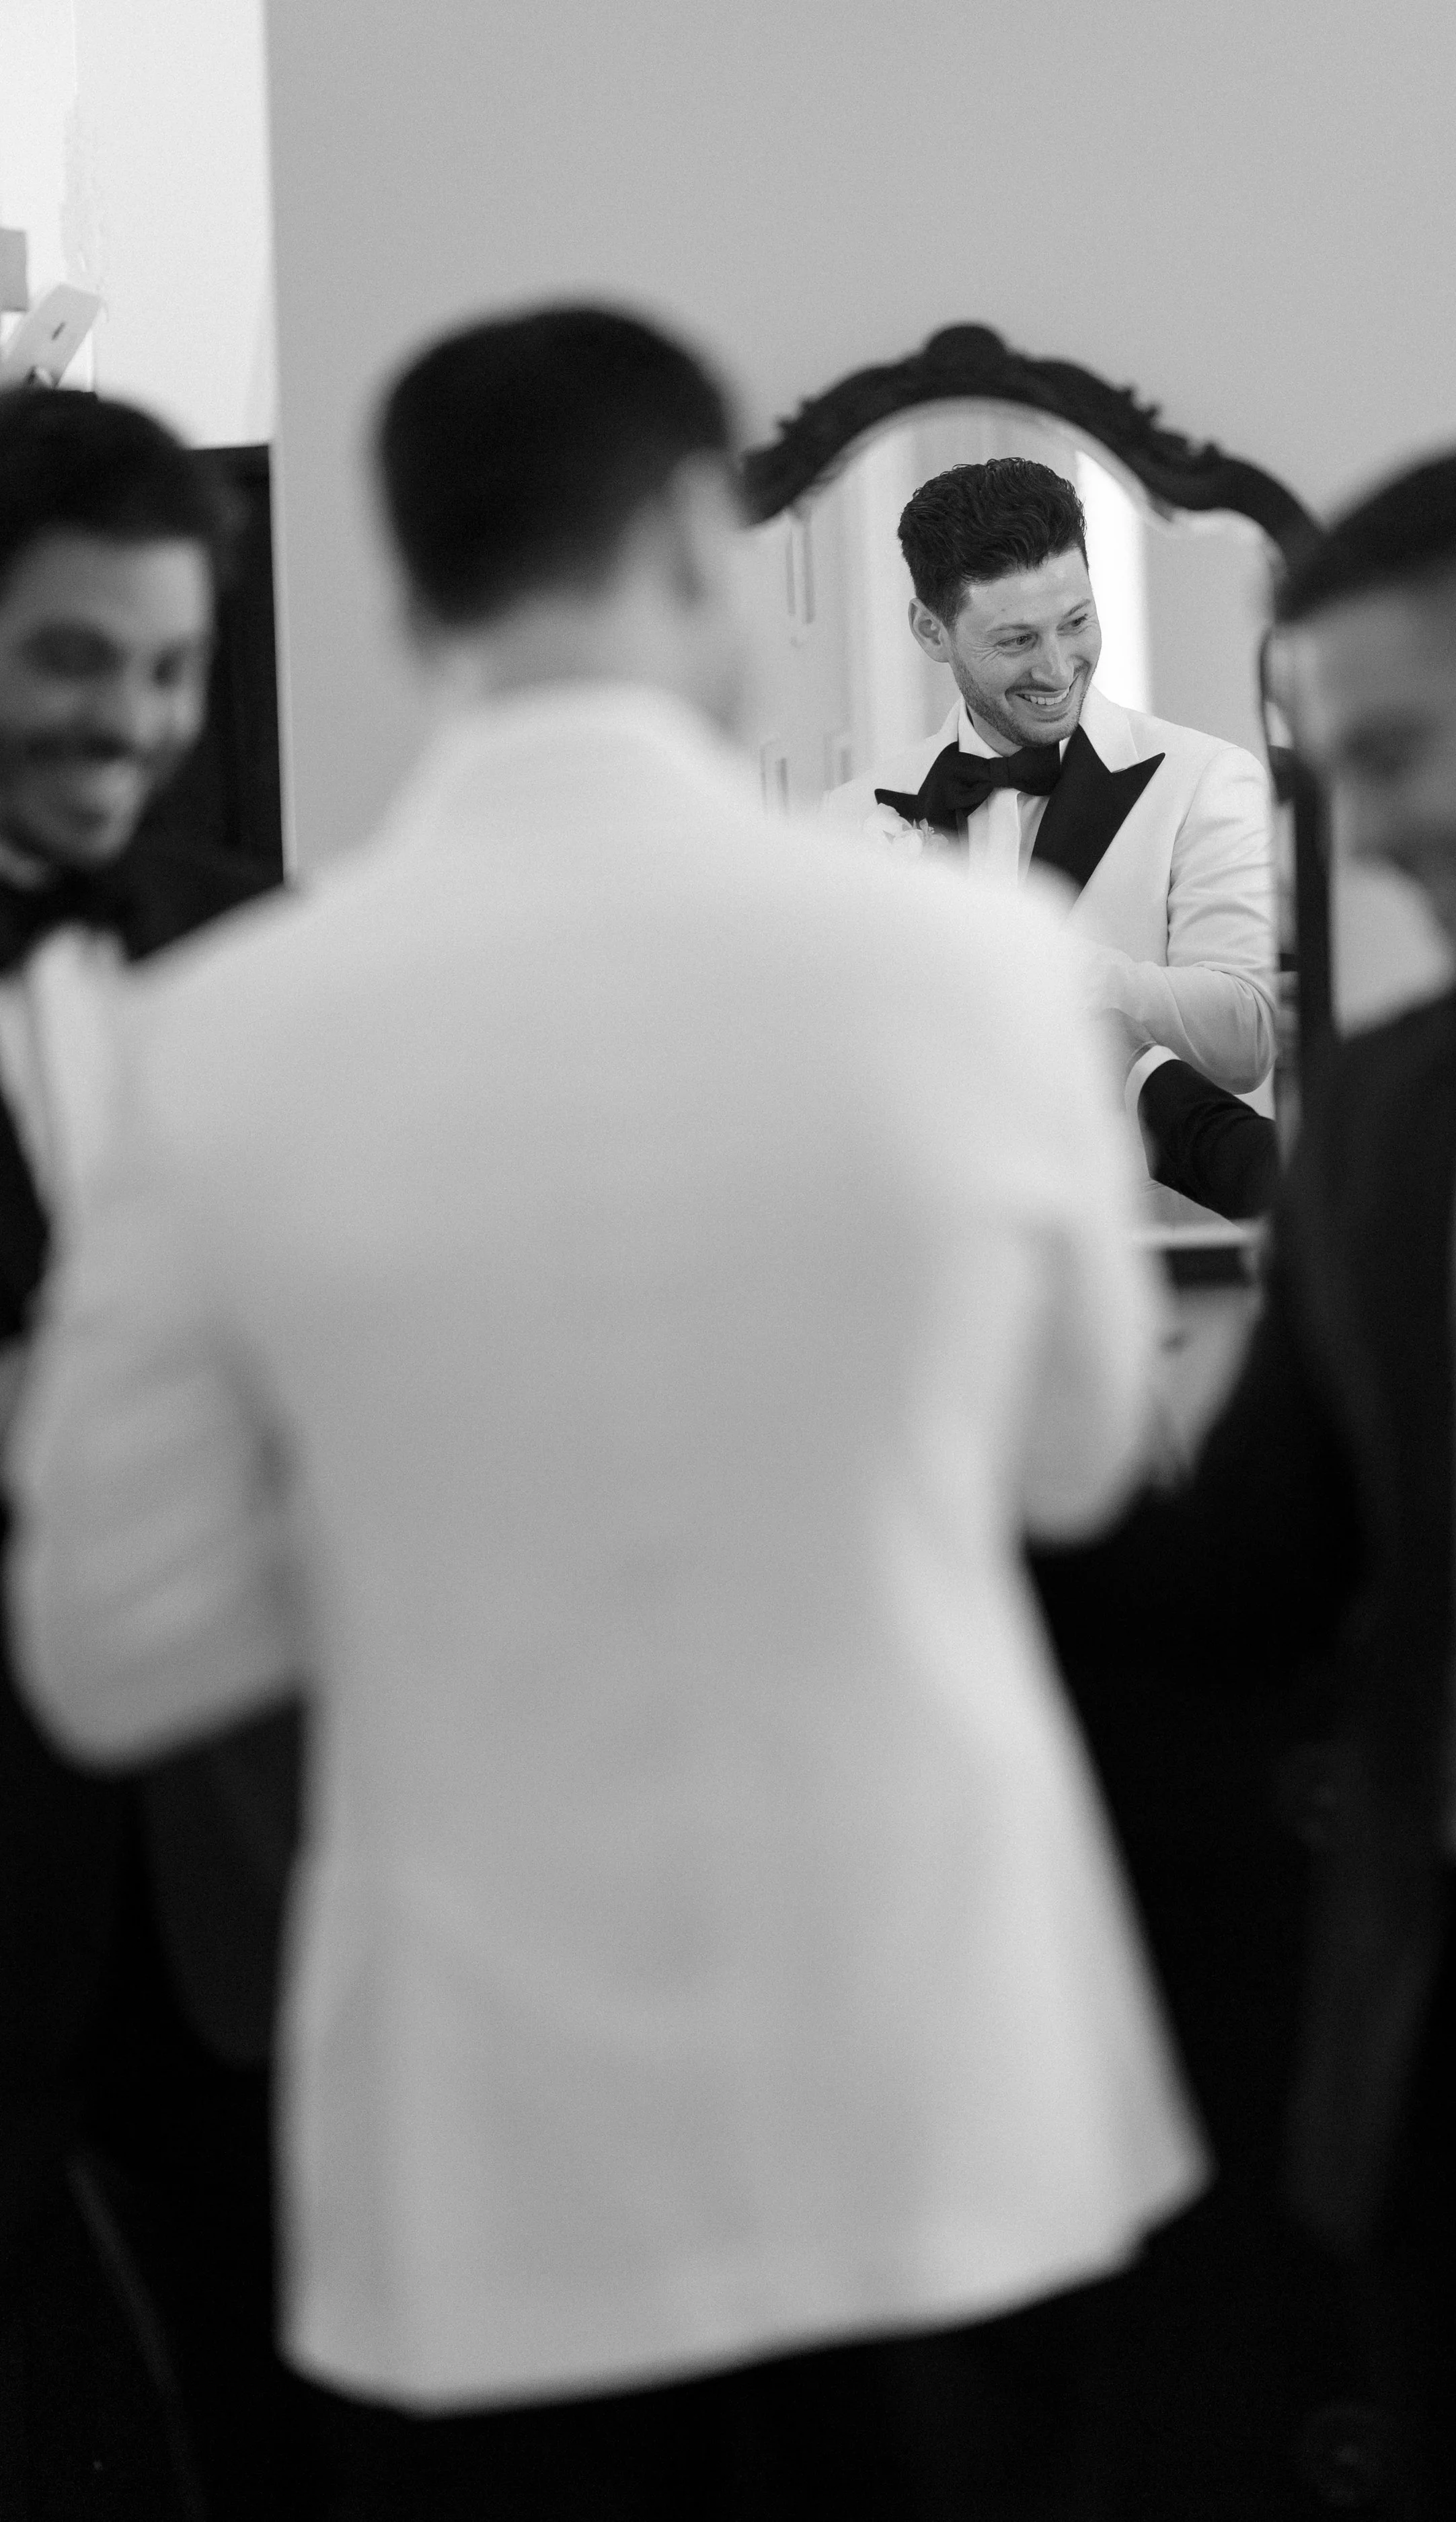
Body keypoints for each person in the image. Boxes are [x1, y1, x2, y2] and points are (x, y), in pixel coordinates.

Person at [6, 306, 1204, 2522]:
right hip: (937, 2088)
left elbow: (114, 1645)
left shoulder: (227, 1035)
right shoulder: (980, 974)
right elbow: (1070, 1470)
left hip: (489, 2145)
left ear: (411, 589)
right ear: (684, 531)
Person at [1032, 440, 1456, 2519]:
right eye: (1332, 767)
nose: (1369, 833)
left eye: (1401, 750)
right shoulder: (1384, 1116)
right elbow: (1239, 1574)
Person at [0, 383, 307, 2519]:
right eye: (72, 658)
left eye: (173, 667)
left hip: (225, 1847)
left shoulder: (252, 944)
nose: (132, 721)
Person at [822, 455, 1279, 1210]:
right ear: (930, 630)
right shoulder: (851, 818)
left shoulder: (1206, 781)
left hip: (1152, 1243)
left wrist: (1024, 961)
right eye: (1015, 641)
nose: (1059, 666)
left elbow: (1243, 1038)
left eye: (1076, 622)